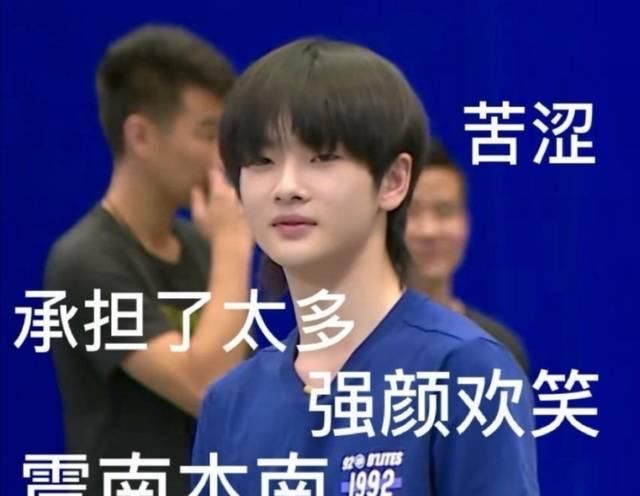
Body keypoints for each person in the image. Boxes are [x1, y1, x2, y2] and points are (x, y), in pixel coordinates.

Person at [192, 37, 539, 495]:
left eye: (322, 158)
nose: (286, 187)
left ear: (394, 180)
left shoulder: (464, 371)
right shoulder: (230, 403)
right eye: (262, 161)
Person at [44, 25, 253, 494]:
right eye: (207, 134)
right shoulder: (86, 261)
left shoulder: (201, 247)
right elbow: (208, 388)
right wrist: (235, 243)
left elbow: (245, 396)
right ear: (140, 135)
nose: (223, 159)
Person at [405, 138, 530, 373]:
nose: (429, 231)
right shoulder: (353, 342)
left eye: (444, 211)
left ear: (466, 221)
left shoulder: (498, 346)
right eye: (411, 212)